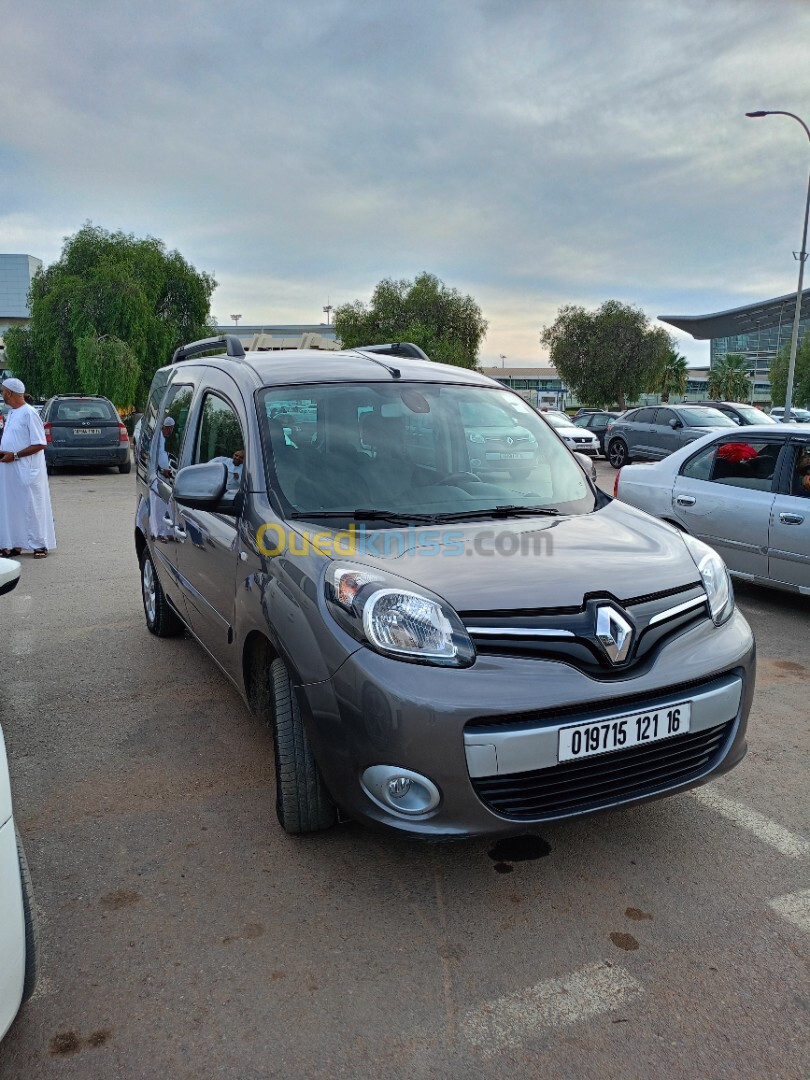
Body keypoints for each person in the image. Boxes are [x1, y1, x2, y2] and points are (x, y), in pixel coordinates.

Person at [0, 377, 56, 558]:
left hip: (26, 469)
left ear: (9, 392)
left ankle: (40, 545)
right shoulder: (13, 414)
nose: (2, 395)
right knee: (12, 507)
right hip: (10, 470)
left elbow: (40, 443)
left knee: (32, 506)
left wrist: (15, 455)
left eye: (3, 391)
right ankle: (15, 544)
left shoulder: (29, 413)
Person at [149, 417, 176, 542]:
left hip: (166, 477)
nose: (171, 431)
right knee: (158, 506)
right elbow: (153, 457)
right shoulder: (157, 438)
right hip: (157, 477)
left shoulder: (166, 440)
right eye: (170, 428)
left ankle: (168, 532)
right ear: (167, 427)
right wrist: (161, 470)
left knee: (168, 505)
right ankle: (158, 533)